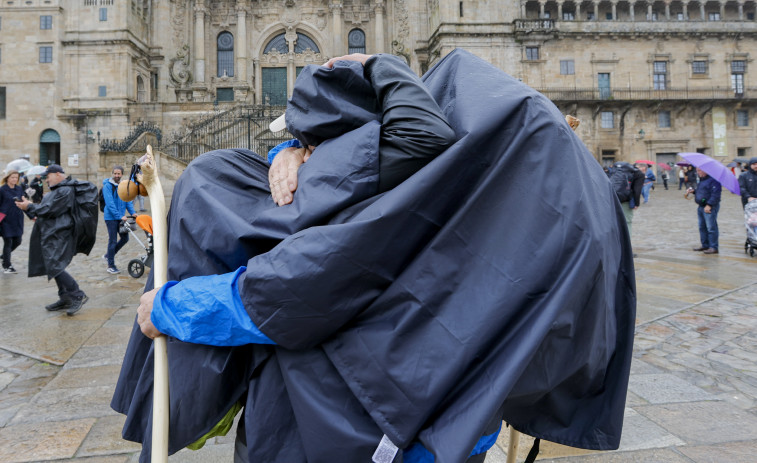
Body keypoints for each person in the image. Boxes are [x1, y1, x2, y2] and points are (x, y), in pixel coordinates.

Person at [113, 50, 635, 463]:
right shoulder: (492, 177)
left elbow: (293, 289)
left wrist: (171, 307)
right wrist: (294, 150)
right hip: (458, 416)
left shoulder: (396, 186)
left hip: (361, 421)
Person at [15, 164, 89, 315]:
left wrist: (29, 206)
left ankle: (77, 294)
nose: (46, 179)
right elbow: (46, 208)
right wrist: (30, 207)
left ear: (57, 174)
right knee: (51, 264)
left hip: (59, 233)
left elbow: (50, 209)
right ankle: (65, 297)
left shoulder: (65, 190)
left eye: (47, 176)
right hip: (51, 232)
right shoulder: (59, 189)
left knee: (54, 264)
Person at [102, 165, 136, 274]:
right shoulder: (107, 186)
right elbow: (110, 203)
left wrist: (133, 212)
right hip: (111, 217)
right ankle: (110, 265)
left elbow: (127, 200)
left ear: (122, 174)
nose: (117, 175)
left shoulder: (123, 185)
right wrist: (119, 216)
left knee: (125, 238)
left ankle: (109, 255)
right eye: (115, 173)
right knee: (112, 240)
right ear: (112, 174)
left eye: (119, 174)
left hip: (121, 217)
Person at [689, 167, 721, 254]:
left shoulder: (714, 180)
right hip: (701, 206)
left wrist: (709, 205)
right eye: (697, 170)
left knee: (711, 227)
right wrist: (694, 191)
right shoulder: (702, 179)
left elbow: (715, 194)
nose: (697, 172)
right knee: (702, 227)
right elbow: (703, 191)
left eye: (699, 170)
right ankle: (705, 245)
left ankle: (713, 247)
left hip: (709, 207)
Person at [0, 170, 26, 273]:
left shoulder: (19, 189)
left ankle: (4, 256)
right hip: (5, 219)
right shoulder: (2, 190)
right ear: (7, 178)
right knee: (8, 241)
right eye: (12, 177)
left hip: (17, 218)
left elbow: (23, 203)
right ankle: (7, 266)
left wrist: (32, 216)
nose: (15, 179)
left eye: (16, 177)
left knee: (18, 241)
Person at [611, 162, 644, 235]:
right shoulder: (638, 174)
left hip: (611, 200)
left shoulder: (612, 172)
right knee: (627, 222)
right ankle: (627, 243)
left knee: (613, 222)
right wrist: (636, 203)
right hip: (626, 201)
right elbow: (637, 190)